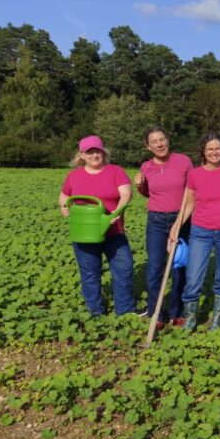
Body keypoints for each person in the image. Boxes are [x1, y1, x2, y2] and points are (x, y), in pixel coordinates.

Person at [170, 132, 220, 331]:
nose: (214, 152)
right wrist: (176, 227)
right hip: (200, 231)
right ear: (203, 151)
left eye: (218, 149)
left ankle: (217, 319)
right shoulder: (194, 174)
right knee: (193, 277)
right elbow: (188, 205)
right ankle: (191, 319)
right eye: (210, 149)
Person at [59, 135, 136, 316]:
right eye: (90, 152)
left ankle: (124, 310)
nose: (95, 155)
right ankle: (95, 311)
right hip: (85, 232)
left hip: (113, 231)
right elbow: (63, 197)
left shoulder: (115, 171)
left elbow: (126, 194)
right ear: (82, 155)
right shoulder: (74, 175)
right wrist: (64, 208)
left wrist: (115, 213)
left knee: (124, 268)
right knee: (90, 273)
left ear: (103, 152)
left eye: (98, 151)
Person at [135, 126, 193, 328]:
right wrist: (140, 185)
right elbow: (147, 193)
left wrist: (179, 222)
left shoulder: (184, 161)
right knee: (155, 267)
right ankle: (156, 314)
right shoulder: (146, 167)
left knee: (179, 267)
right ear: (148, 146)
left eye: (162, 139)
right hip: (157, 221)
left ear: (168, 140)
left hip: (182, 219)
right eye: (154, 141)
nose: (159, 144)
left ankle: (177, 312)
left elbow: (192, 190)